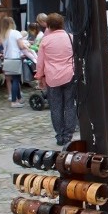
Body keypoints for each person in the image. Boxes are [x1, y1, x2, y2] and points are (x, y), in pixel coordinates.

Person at [35, 13, 76, 147]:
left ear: (48, 25)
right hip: (69, 74)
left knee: (56, 108)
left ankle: (59, 135)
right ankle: (68, 135)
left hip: (52, 77)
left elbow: (40, 62)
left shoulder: (45, 41)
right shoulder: (70, 38)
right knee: (69, 105)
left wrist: (39, 77)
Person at [0, 16, 29, 107]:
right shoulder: (15, 33)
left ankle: (18, 99)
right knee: (16, 80)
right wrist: (28, 47)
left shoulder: (3, 34)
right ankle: (14, 101)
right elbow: (21, 46)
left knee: (13, 79)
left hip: (7, 58)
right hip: (15, 57)